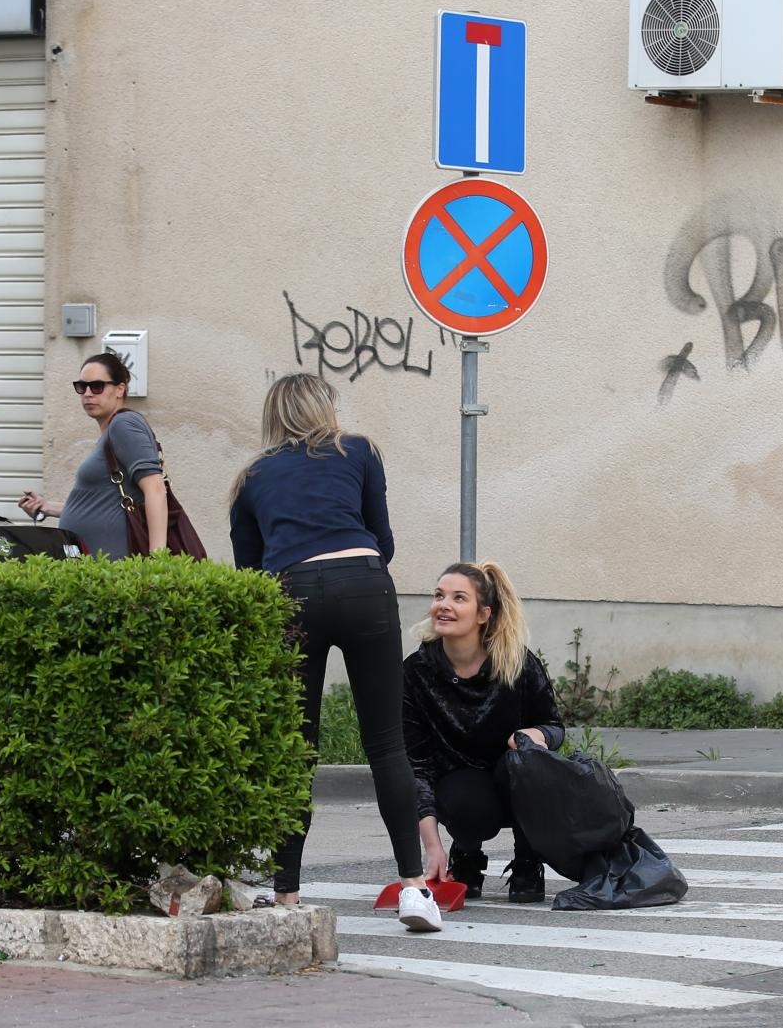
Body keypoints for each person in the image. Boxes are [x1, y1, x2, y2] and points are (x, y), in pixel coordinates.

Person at [228, 372, 438, 932]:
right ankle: (415, 890)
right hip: (363, 582)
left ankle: (287, 896)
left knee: (296, 748)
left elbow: (250, 572)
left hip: (292, 592)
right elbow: (383, 540)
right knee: (387, 744)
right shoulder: (360, 452)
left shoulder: (251, 478)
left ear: (273, 416)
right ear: (325, 408)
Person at [402, 562, 564, 906]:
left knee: (528, 765)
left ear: (483, 614)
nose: (444, 605)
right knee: (467, 806)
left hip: (515, 773)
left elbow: (554, 725)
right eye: (439, 596)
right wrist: (432, 848)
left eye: (458, 598)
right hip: (461, 782)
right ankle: (466, 854)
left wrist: (536, 734)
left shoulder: (517, 663)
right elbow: (416, 765)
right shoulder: (417, 672)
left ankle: (528, 859)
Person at [18, 352, 167, 557]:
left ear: (120, 389)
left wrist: (157, 560)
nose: (88, 393)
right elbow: (101, 506)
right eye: (82, 386)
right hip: (95, 564)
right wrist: (48, 507)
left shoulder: (123, 424)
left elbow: (156, 488)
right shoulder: (110, 434)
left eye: (97, 386)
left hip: (114, 566)